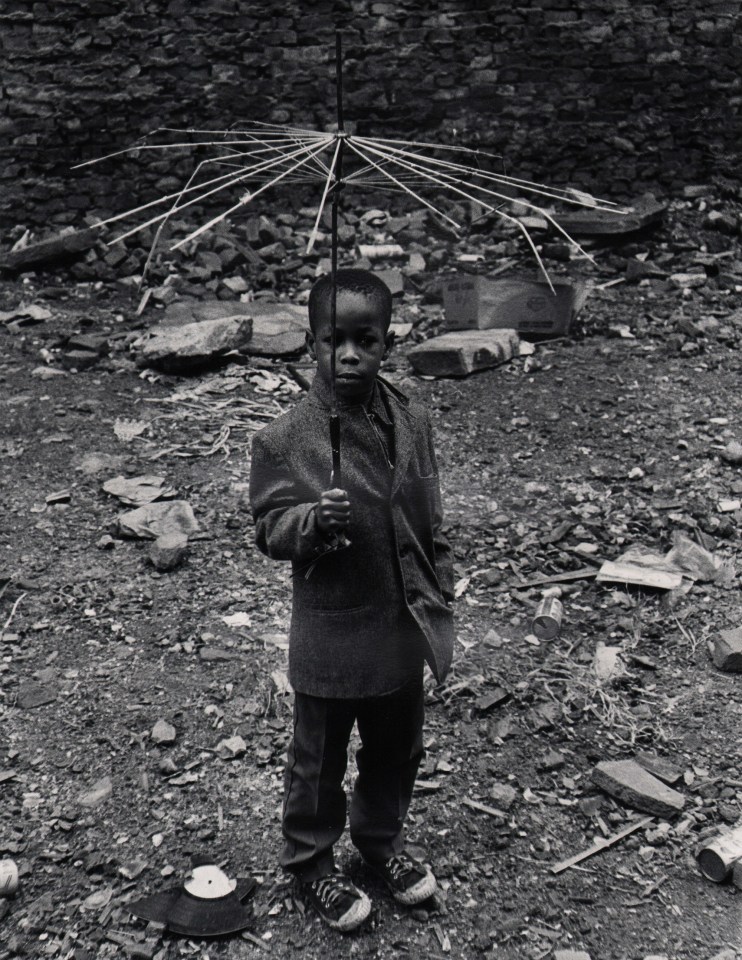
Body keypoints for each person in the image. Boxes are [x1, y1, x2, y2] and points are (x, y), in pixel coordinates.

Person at [249, 269, 455, 932]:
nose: (349, 355)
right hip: (332, 633)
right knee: (318, 759)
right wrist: (312, 521)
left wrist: (439, 596)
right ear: (312, 342)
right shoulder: (284, 438)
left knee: (398, 747)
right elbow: (268, 527)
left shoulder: (412, 414)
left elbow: (429, 512)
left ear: (387, 341)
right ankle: (311, 860)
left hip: (399, 623)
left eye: (365, 339)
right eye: (334, 339)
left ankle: (380, 842)